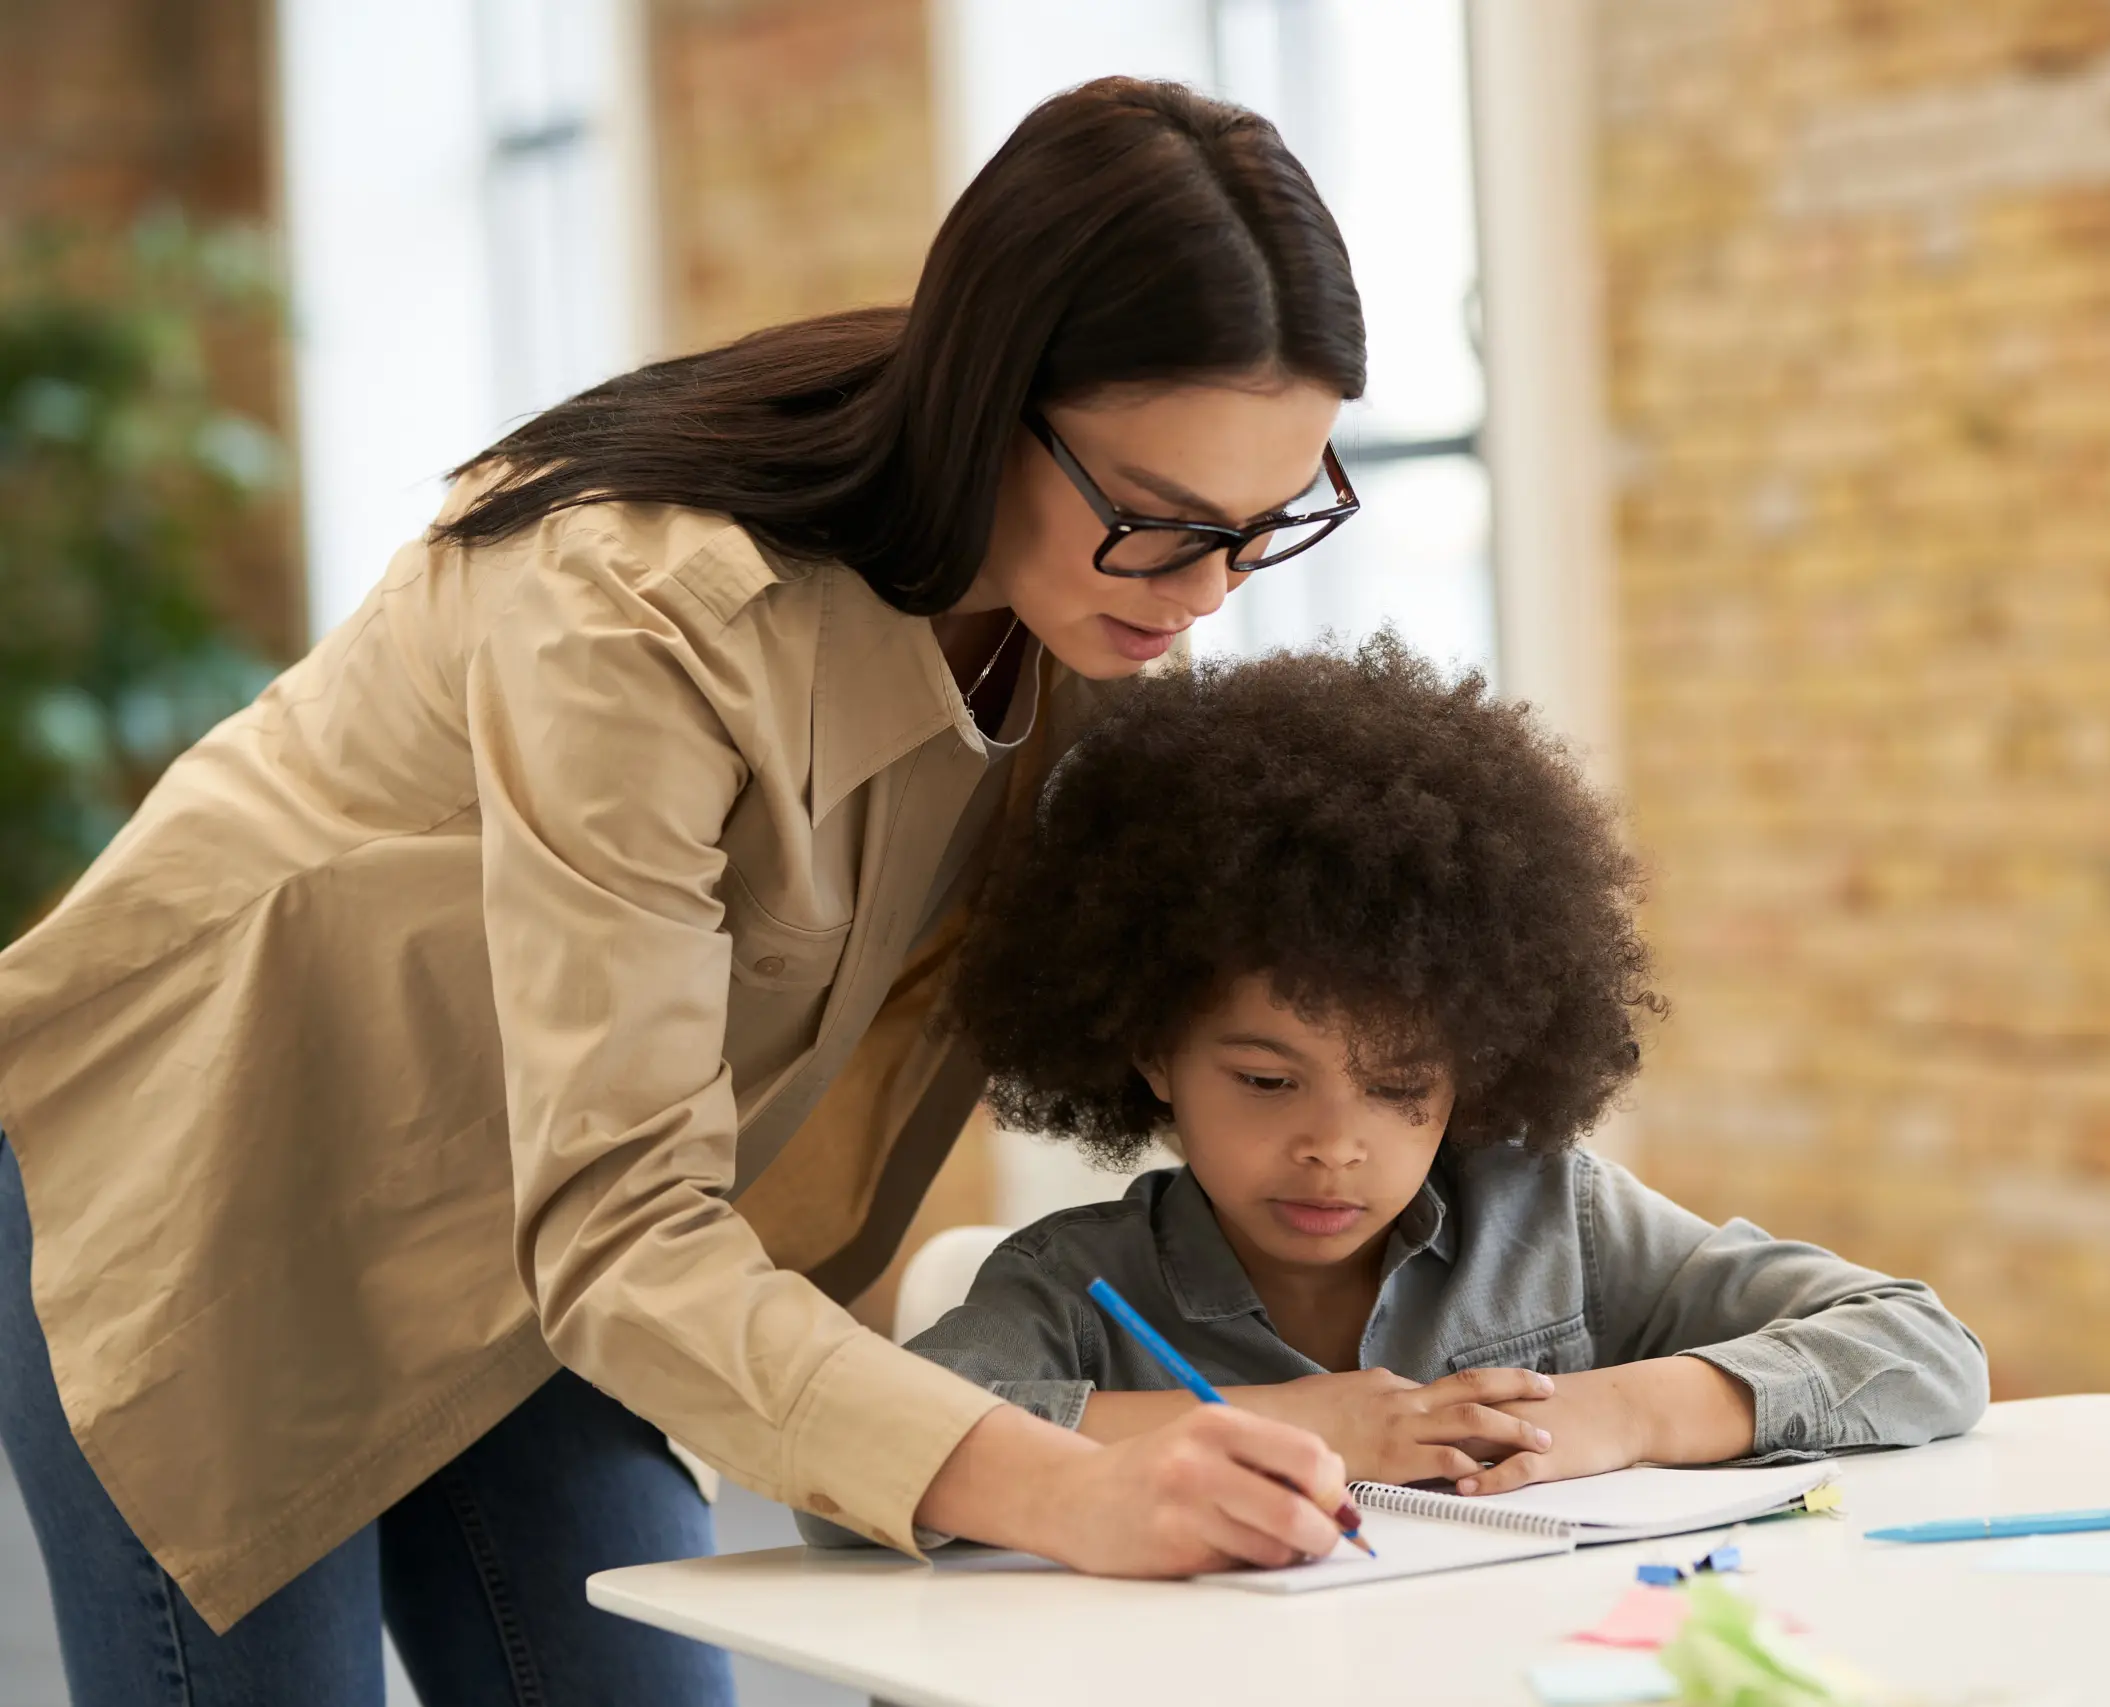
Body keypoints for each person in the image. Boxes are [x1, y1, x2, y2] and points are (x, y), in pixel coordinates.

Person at [0, 78, 1374, 1707]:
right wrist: (1071, 1487)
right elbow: (625, 1224)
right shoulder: (634, 612)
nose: (1208, 592)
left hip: (541, 1212)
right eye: (1160, 519)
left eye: (1265, 524)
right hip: (224, 1163)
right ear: (994, 400)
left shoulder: (1092, 614)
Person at [824, 638, 1987, 1523]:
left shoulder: (1554, 1226)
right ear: (1151, 1051)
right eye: (1267, 1081)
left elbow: (1921, 1350)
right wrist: (1291, 1424)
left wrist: (1626, 1411)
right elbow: (861, 1462)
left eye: (1397, 1089)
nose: (1334, 1147)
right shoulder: (1074, 1290)